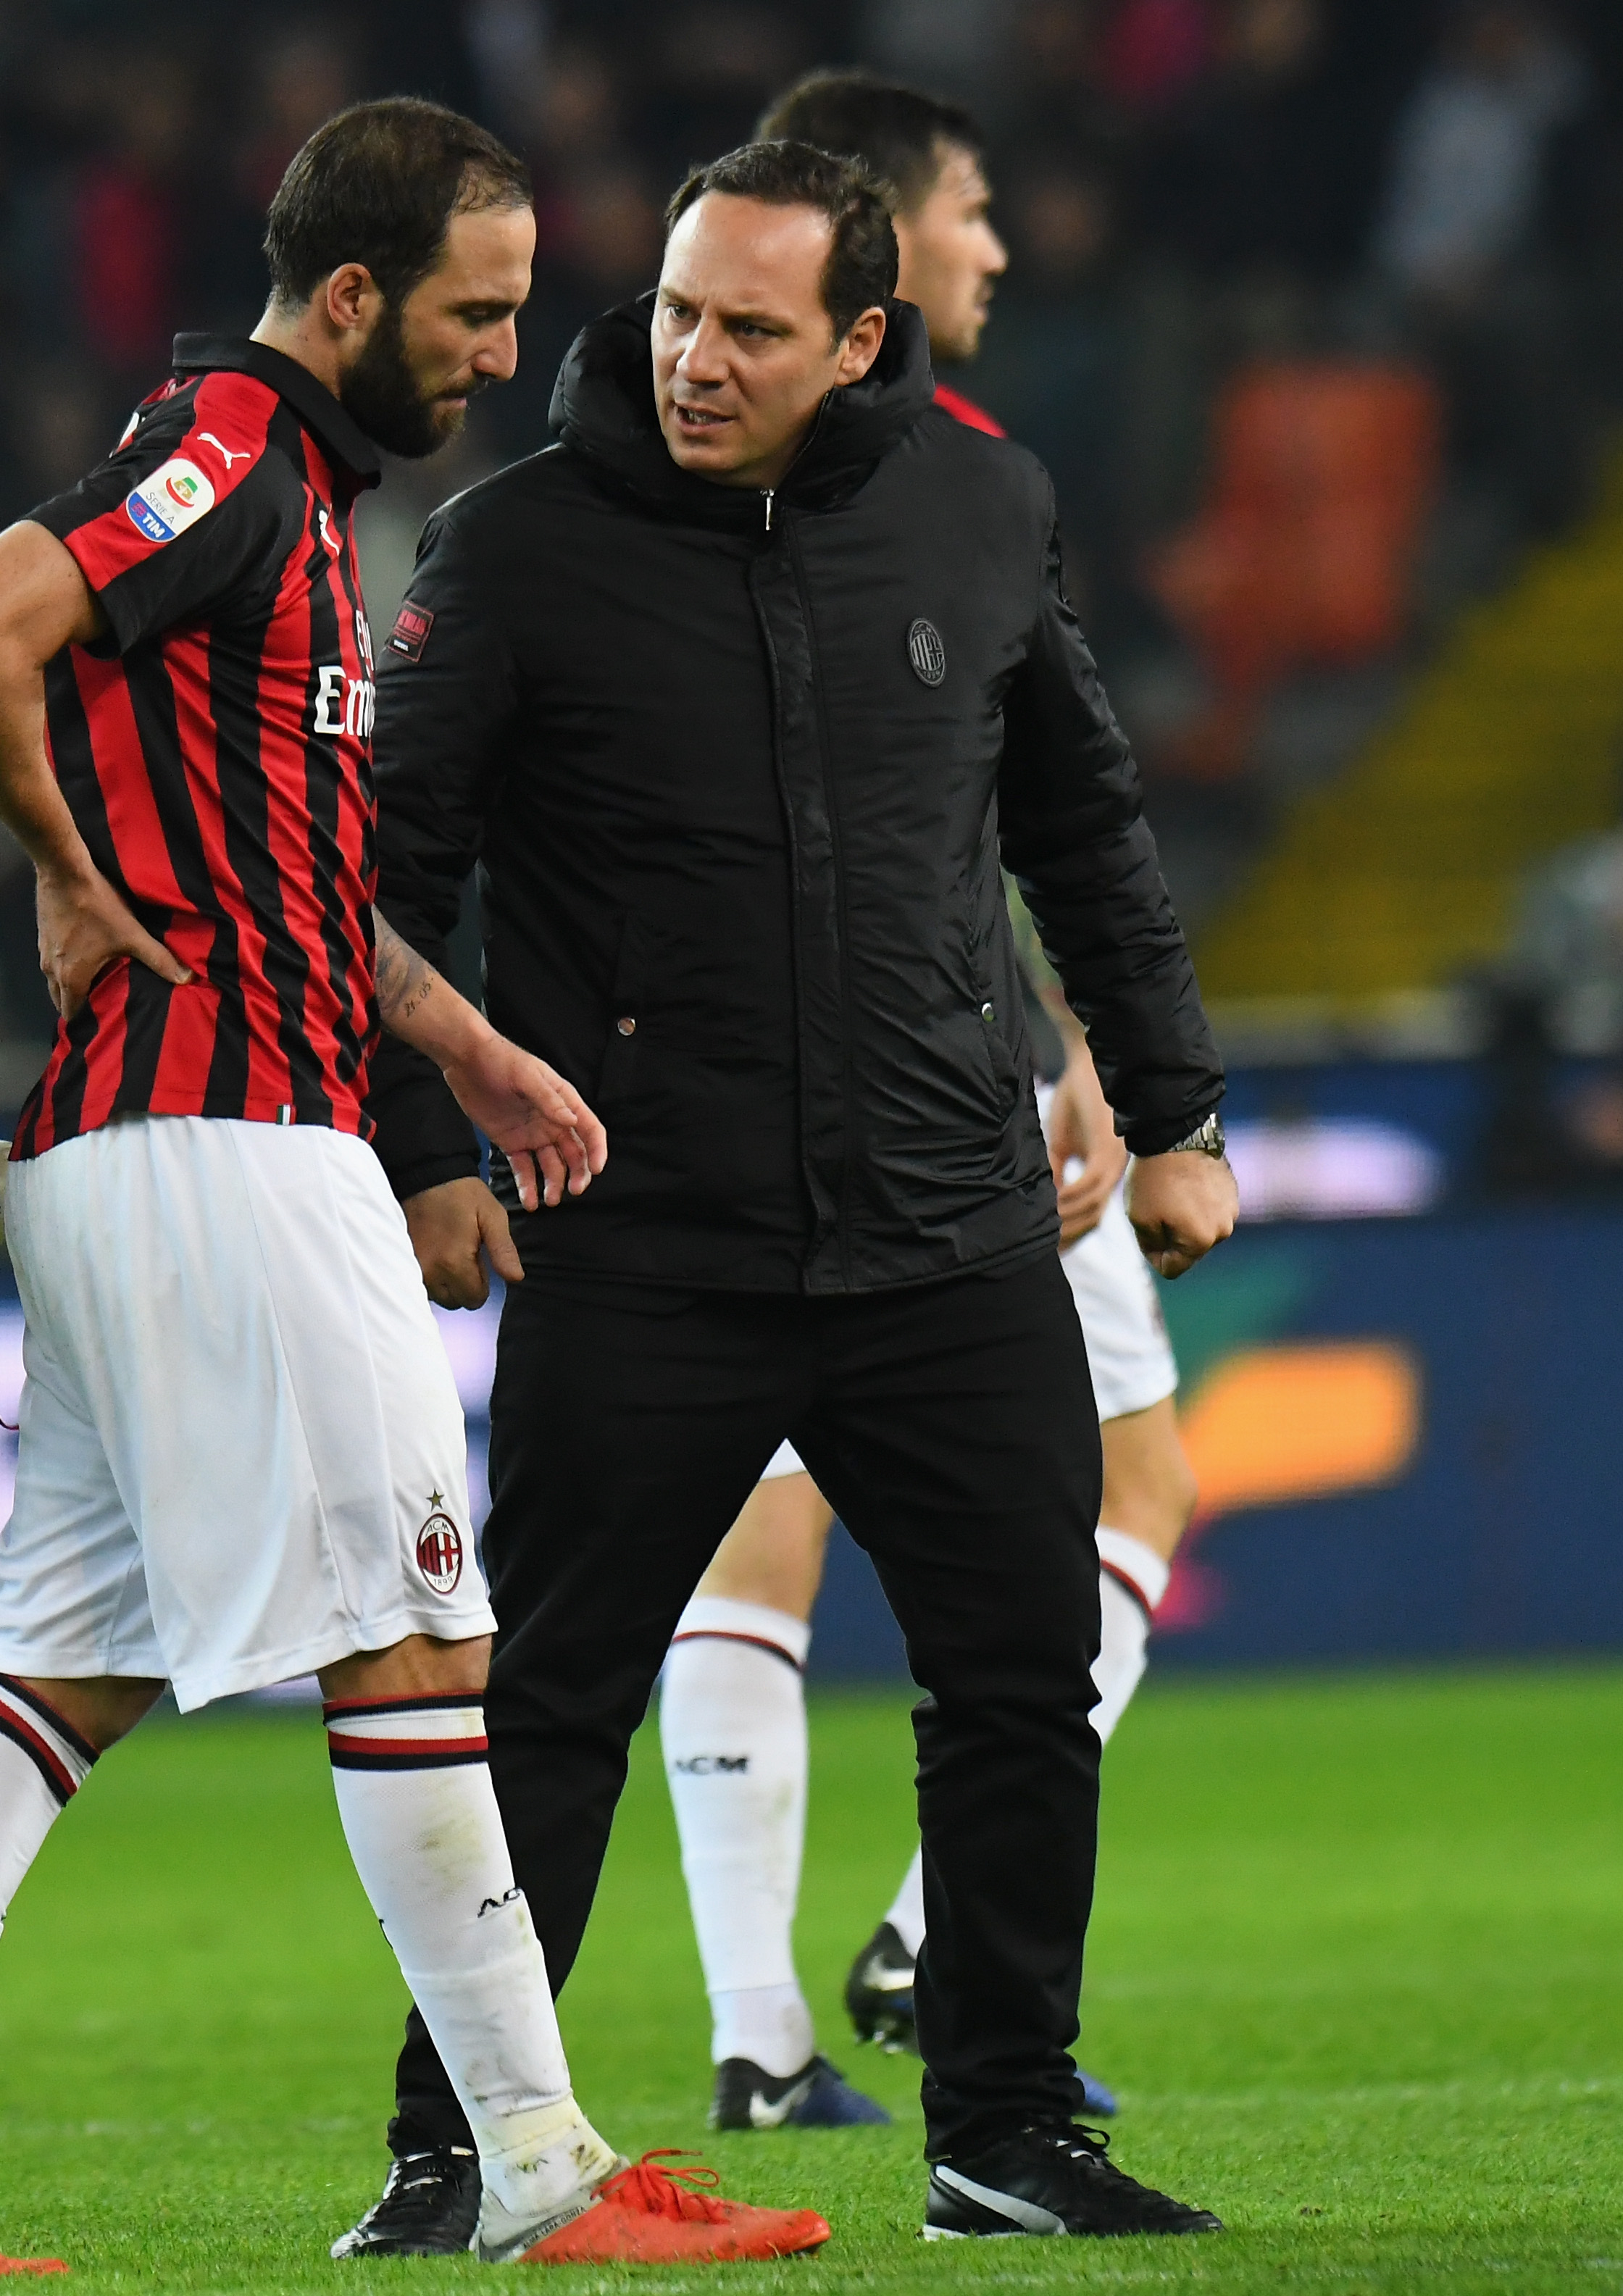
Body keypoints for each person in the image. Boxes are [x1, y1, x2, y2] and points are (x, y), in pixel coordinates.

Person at [0, 99, 830, 2281]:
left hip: (168, 1140)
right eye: (474, 312)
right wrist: (60, 867)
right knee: (419, 1630)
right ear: (349, 296)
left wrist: (462, 1046)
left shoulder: (299, 502)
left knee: (66, 1668)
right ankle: (536, 2165)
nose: (503, 353)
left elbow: (284, 872)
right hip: (223, 1144)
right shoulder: (227, 455)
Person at [370, 137, 1240, 2246]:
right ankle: (459, 2147)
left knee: (1021, 1682)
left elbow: (1086, 829)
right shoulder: (516, 547)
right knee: (547, 1701)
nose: (695, 357)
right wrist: (418, 1152)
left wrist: (1176, 1108)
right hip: (641, 1238)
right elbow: (378, 874)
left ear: (860, 340)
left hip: (946, 1228)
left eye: (750, 329)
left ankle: (1003, 2137)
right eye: (678, 310)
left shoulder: (981, 511)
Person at [642, 68, 1206, 2135]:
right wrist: (1080, 1051)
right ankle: (928, 1944)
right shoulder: (952, 475)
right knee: (1129, 1491)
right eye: (967, 209)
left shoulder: (647, 492)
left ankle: (760, 2030)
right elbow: (1021, 814)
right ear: (881, 254)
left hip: (746, 1084)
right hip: (949, 1086)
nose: (996, 246)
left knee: (757, 1524)